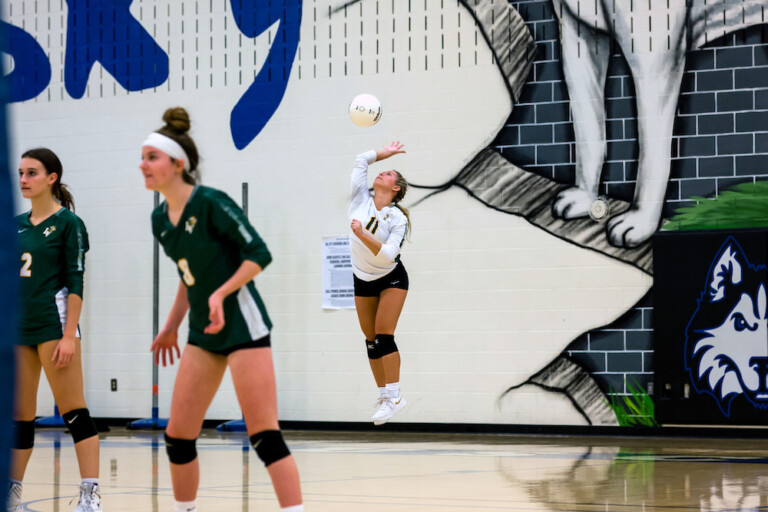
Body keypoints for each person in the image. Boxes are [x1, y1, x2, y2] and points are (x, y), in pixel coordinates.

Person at [140, 107, 303, 512]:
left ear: (178, 164)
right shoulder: (159, 218)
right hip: (201, 332)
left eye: (151, 157)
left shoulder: (211, 202)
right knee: (178, 438)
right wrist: (171, 326)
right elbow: (187, 274)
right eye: (142, 157)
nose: (142, 165)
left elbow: (259, 254)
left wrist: (221, 293)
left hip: (243, 328)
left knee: (265, 436)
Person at [9, 149, 102, 512]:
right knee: (20, 415)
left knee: (73, 411)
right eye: (20, 173)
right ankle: (12, 494)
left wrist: (68, 335)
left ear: (52, 178)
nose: (23, 180)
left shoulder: (68, 224)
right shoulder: (14, 224)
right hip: (19, 329)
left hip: (54, 325)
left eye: (32, 173)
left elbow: (76, 282)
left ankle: (90, 494)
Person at [348, 141, 411, 425]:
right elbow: (362, 159)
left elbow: (388, 255)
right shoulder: (360, 198)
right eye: (382, 170)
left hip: (391, 277)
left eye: (388, 174)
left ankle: (396, 396)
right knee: (371, 342)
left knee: (384, 335)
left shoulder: (397, 218)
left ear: (395, 188)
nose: (381, 172)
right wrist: (387, 153)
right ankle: (385, 398)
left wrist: (361, 234)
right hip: (362, 278)